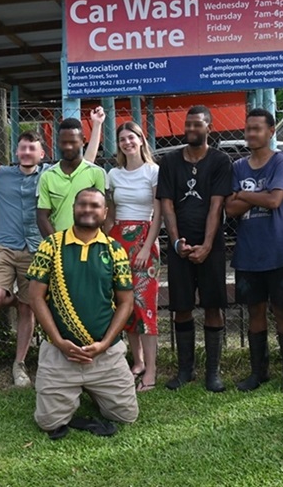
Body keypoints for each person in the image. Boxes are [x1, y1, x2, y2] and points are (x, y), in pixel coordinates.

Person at [0, 110, 104, 388]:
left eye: (32, 148)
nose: (26, 152)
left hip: (36, 249)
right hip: (5, 247)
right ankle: (17, 300)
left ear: (42, 154)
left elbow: (87, 162)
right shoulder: (1, 175)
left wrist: (97, 125)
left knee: (29, 311)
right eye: (22, 147)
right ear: (17, 151)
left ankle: (20, 363)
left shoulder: (51, 174)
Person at [26, 187, 138, 439]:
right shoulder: (51, 246)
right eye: (82, 204)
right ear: (73, 209)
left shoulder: (114, 249)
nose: (88, 209)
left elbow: (126, 303)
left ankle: (92, 390)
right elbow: (35, 297)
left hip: (105, 354)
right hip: (60, 354)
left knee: (126, 416)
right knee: (48, 422)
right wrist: (59, 342)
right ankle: (76, 390)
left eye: (95, 205)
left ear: (105, 212)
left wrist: (104, 344)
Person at [225, 109, 283, 395]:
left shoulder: (282, 161)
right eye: (247, 129)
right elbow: (229, 209)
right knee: (254, 310)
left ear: (271, 131)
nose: (251, 134)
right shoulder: (238, 166)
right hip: (248, 253)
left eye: (257, 129)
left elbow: (274, 200)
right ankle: (259, 371)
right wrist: (252, 197)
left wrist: (243, 194)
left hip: (280, 252)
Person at [157, 105, 233, 392]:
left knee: (213, 305)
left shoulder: (220, 161)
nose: (191, 128)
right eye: (187, 124)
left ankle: (213, 372)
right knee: (182, 306)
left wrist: (207, 245)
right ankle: (185, 369)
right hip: (180, 248)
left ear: (208, 128)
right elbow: (167, 204)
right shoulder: (169, 162)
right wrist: (176, 242)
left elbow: (217, 205)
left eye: (197, 124)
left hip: (210, 245)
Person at [106, 122, 161, 392]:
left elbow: (158, 213)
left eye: (131, 137)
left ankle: (151, 370)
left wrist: (145, 246)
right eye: (122, 139)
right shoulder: (113, 174)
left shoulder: (153, 171)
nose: (127, 142)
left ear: (141, 140)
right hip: (117, 239)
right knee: (123, 302)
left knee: (145, 304)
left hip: (143, 239)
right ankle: (136, 361)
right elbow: (110, 212)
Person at [37, 117, 107, 237]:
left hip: (90, 243)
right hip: (59, 243)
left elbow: (105, 212)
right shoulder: (47, 176)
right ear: (58, 142)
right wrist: (57, 245)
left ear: (83, 141)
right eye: (64, 142)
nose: (68, 146)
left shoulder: (97, 173)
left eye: (73, 142)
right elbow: (42, 216)